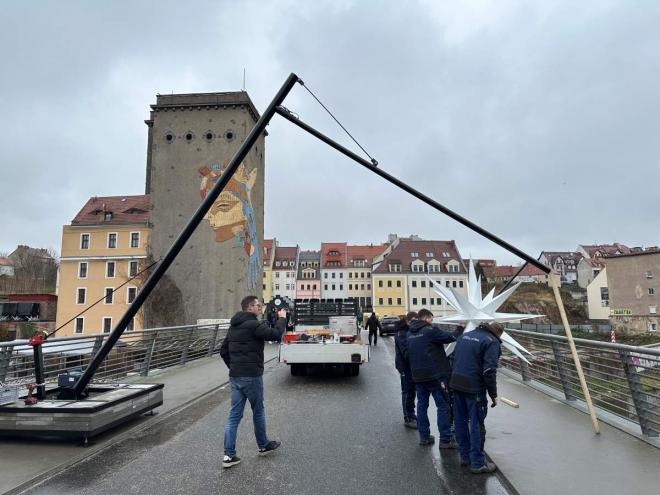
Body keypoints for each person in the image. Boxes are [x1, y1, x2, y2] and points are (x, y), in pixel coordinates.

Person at [220, 295, 287, 468]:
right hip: (251, 376)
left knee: (234, 416)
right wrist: (282, 319)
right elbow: (275, 335)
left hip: (235, 376)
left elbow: (223, 351)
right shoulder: (253, 324)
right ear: (249, 308)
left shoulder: (233, 326)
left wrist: (234, 367)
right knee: (258, 411)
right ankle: (263, 445)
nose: (260, 308)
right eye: (258, 305)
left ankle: (228, 456)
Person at [450, 322, 503, 474]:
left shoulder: (465, 336)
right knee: (476, 425)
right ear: (498, 333)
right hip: (474, 388)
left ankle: (465, 457)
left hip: (457, 383)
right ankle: (478, 463)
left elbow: (453, 358)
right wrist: (493, 394)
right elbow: (488, 370)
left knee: (459, 421)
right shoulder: (491, 342)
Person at [406, 308, 456, 447]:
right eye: (431, 319)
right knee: (443, 406)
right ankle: (445, 440)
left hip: (418, 376)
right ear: (427, 318)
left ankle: (424, 437)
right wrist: (461, 328)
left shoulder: (410, 333)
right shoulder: (430, 330)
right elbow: (450, 337)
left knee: (422, 406)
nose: (432, 322)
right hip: (435, 376)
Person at [394, 311, 418, 428]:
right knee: (407, 391)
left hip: (412, 366)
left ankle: (411, 413)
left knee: (412, 391)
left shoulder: (409, 331)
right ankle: (407, 417)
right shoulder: (401, 333)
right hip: (404, 366)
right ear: (408, 321)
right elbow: (406, 352)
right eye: (413, 321)